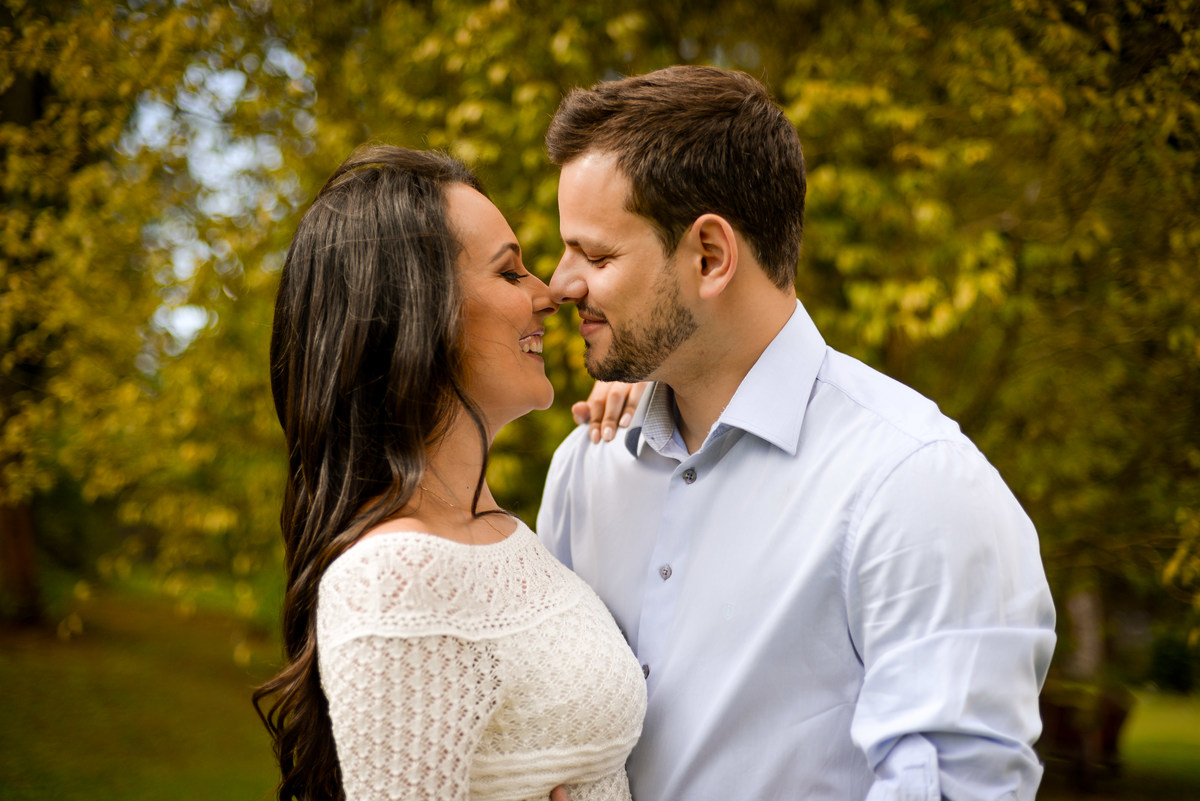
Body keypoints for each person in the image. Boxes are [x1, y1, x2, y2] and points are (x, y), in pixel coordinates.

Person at [538, 65, 1057, 800]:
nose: (560, 284)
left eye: (596, 255)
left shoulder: (916, 484)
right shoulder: (585, 470)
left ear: (710, 256)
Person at [253, 145, 646, 801]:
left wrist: (653, 410)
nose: (550, 294)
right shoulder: (394, 575)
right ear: (421, 315)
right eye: (510, 272)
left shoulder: (497, 534)